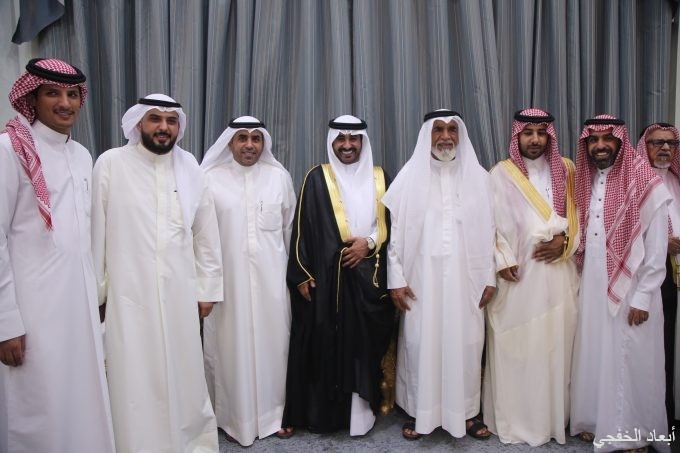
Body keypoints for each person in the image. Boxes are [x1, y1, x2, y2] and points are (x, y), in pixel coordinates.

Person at [92, 94, 223, 452]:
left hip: (180, 291)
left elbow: (206, 233)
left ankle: (188, 442)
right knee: (133, 372)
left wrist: (207, 289)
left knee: (183, 371)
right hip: (128, 292)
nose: (164, 127)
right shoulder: (111, 164)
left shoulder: (190, 167)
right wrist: (97, 293)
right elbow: (97, 232)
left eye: (171, 120)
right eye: (155, 119)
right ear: (138, 123)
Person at [0, 58, 115, 453]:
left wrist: (98, 295)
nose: (65, 103)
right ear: (32, 98)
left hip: (78, 302)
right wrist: (6, 322)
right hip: (32, 306)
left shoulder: (82, 155)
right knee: (38, 400)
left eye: (72, 94)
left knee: (81, 391)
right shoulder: (9, 149)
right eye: (52, 93)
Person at [382, 109, 495, 441]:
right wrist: (396, 280)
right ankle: (419, 410)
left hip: (467, 280)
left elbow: (491, 232)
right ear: (427, 135)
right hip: (421, 280)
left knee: (466, 345)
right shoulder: (409, 177)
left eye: (452, 130)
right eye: (438, 130)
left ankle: (467, 413)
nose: (446, 137)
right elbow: (395, 235)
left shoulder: (479, 178)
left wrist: (489, 277)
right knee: (421, 344)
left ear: (460, 135)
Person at [283, 115, 394, 435]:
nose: (347, 145)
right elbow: (301, 230)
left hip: (368, 279)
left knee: (362, 347)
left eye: (353, 139)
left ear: (362, 142)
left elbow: (391, 225)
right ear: (332, 142)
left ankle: (361, 416)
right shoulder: (316, 178)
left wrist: (367, 243)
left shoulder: (380, 177)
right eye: (341, 139)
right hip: (327, 282)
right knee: (327, 347)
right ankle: (327, 418)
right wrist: (302, 273)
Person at [570, 114, 670, 453]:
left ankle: (633, 433)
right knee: (597, 352)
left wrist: (643, 296)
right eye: (593, 140)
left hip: (634, 290)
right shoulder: (586, 180)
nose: (600, 146)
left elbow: (656, 249)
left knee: (631, 359)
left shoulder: (645, 182)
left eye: (607, 139)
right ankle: (595, 420)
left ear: (620, 142)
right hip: (593, 285)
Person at [482, 108, 579, 446]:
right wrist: (501, 260)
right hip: (518, 281)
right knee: (517, 349)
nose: (535, 139)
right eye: (528, 133)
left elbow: (581, 217)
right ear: (517, 136)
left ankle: (551, 420)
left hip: (558, 277)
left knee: (554, 348)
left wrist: (565, 243)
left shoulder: (568, 170)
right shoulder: (499, 174)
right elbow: (487, 225)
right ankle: (517, 419)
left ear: (549, 136)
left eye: (541, 133)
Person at [201, 116, 296, 445]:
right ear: (230, 143)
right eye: (242, 138)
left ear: (263, 143)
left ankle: (276, 414)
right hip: (228, 286)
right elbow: (201, 238)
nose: (249, 144)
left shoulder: (279, 177)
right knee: (229, 350)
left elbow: (289, 232)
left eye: (256, 138)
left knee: (275, 349)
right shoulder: (209, 179)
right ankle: (231, 419)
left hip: (273, 285)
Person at [637, 122, 680, 432]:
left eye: (671, 143)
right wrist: (665, 243)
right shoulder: (637, 183)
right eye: (657, 142)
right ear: (645, 146)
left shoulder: (676, 180)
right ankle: (659, 419)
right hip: (655, 278)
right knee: (659, 349)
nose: (665, 148)